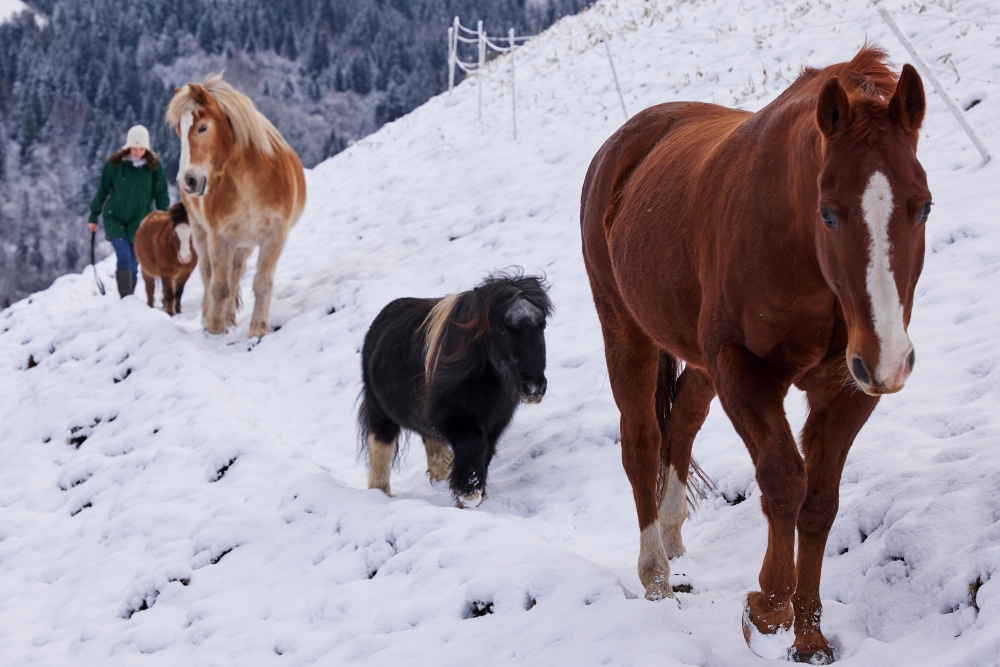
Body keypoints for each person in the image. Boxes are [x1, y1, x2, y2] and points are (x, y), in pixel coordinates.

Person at [88, 125, 170, 298]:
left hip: (141, 222)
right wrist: (93, 216)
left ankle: (129, 300)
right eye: (134, 148)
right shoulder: (115, 164)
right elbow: (102, 190)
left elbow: (161, 195)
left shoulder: (154, 167)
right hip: (115, 220)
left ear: (147, 148)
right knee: (124, 256)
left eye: (141, 149)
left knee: (134, 262)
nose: (137, 152)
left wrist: (164, 220)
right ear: (128, 146)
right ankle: (125, 298)